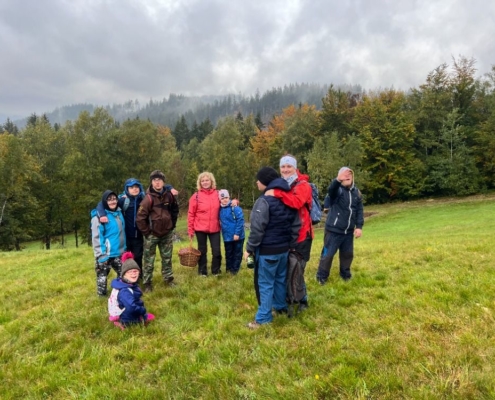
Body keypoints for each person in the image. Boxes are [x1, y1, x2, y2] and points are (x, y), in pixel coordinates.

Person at [244, 167, 300, 329]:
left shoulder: (264, 201)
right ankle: (281, 308)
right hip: (284, 250)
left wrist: (249, 248)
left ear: (265, 182)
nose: (256, 182)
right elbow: (295, 225)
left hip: (268, 251)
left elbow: (257, 229)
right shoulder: (287, 198)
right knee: (279, 280)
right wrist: (291, 244)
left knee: (266, 283)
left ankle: (263, 318)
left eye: (259, 179)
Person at [96, 178, 178, 272]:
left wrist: (170, 187)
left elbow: (157, 188)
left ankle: (138, 277)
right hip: (125, 235)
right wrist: (102, 214)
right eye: (131, 187)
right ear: (127, 189)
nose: (134, 189)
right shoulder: (123, 200)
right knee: (125, 258)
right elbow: (102, 203)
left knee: (138, 256)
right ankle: (126, 276)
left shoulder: (144, 198)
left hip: (139, 235)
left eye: (136, 187)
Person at [265, 154, 313, 312]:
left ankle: (302, 301)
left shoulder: (303, 185)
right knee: (287, 269)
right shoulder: (283, 185)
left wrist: (276, 194)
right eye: (283, 167)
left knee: (297, 269)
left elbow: (297, 202)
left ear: (295, 168)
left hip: (302, 235)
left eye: (289, 166)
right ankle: (289, 299)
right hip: (287, 234)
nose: (285, 170)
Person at [316, 167, 364, 284]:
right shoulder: (338, 191)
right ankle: (321, 277)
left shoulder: (357, 193)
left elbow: (359, 211)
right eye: (344, 175)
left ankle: (345, 274)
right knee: (328, 255)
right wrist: (337, 180)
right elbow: (331, 190)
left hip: (348, 232)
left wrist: (358, 227)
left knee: (347, 255)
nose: (347, 177)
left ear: (353, 178)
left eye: (349, 175)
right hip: (333, 231)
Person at [136, 170, 179, 292]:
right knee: (148, 260)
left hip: (166, 233)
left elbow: (175, 210)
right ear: (152, 182)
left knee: (167, 258)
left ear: (163, 182)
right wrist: (147, 233)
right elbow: (140, 218)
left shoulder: (169, 196)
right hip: (152, 235)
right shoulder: (147, 199)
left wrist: (172, 226)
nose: (157, 182)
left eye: (159, 179)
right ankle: (147, 283)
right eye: (155, 180)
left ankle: (168, 279)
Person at [90, 190, 126, 296]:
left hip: (119, 253)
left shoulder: (119, 213)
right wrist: (101, 255)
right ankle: (102, 297)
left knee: (123, 274)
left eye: (114, 199)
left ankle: (120, 292)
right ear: (105, 202)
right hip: (105, 254)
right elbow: (96, 237)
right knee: (102, 277)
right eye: (109, 200)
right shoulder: (98, 217)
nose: (112, 202)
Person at [187, 172, 222, 276]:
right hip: (200, 228)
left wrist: (234, 201)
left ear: (211, 181)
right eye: (203, 181)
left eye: (207, 180)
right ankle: (202, 271)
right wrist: (190, 230)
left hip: (215, 228)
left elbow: (226, 201)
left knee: (217, 251)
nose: (205, 182)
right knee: (202, 250)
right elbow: (191, 214)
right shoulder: (196, 196)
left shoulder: (218, 193)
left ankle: (216, 271)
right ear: (200, 183)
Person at [109, 251, 155, 329]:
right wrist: (142, 310)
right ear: (124, 275)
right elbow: (131, 307)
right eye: (129, 272)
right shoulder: (125, 291)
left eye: (135, 271)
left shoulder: (127, 283)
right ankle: (125, 323)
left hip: (125, 312)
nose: (133, 274)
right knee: (148, 318)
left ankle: (123, 320)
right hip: (128, 316)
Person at [218, 189, 245, 275]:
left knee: (237, 253)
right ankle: (228, 269)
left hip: (238, 236)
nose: (225, 200)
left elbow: (240, 220)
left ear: (229, 197)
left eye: (226, 197)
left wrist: (237, 233)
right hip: (227, 236)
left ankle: (235, 270)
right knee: (228, 253)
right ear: (220, 199)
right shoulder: (219, 209)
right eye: (222, 198)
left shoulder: (235, 207)